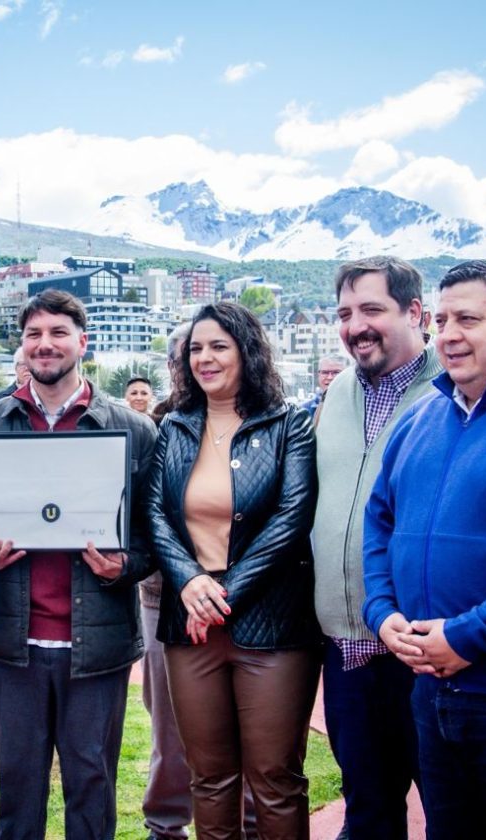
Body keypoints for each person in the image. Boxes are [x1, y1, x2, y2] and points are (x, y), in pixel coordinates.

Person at [0, 289, 157, 840]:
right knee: (17, 787)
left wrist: (124, 565)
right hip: (12, 645)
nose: (44, 345)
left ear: (82, 342)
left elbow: (152, 533)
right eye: (33, 335)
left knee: (91, 788)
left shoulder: (134, 430)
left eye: (57, 333)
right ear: (21, 347)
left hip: (96, 647)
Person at [147, 302, 320, 839]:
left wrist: (223, 594)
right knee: (210, 779)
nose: (205, 358)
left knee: (274, 778)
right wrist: (191, 580)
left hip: (272, 625)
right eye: (196, 348)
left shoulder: (289, 423)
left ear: (247, 351)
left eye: (219, 346)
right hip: (190, 624)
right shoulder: (173, 427)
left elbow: (292, 517)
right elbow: (155, 513)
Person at [312, 256, 441, 839]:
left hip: (428, 650)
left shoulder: (451, 389)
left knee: (450, 807)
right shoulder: (337, 391)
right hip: (348, 647)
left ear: (415, 312)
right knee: (367, 807)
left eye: (372, 310)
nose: (355, 325)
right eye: (345, 313)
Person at [363, 260, 486, 839]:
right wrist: (382, 612)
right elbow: (379, 524)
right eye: (442, 320)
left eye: (469, 318)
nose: (450, 334)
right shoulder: (418, 421)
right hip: (429, 691)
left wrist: (466, 637)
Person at [141, 325, 193, 840]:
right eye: (180, 355)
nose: (191, 363)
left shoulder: (267, 419)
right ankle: (166, 824)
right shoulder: (155, 426)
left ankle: (244, 823)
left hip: (242, 598)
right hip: (161, 597)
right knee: (169, 726)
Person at [301, 355, 346, 422]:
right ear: (318, 375)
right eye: (325, 372)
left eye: (336, 372)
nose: (330, 377)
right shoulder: (305, 410)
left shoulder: (358, 407)